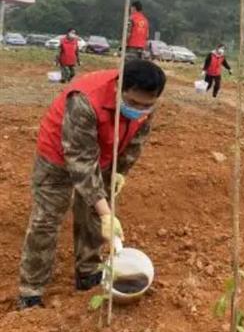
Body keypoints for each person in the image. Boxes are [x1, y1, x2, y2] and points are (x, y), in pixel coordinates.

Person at [18, 60, 167, 309]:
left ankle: (88, 272)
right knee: (46, 221)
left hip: (104, 156)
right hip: (57, 158)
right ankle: (31, 290)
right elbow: (80, 161)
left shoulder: (146, 108)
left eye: (146, 105)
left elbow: (136, 141)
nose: (139, 109)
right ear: (120, 87)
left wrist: (120, 172)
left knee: (93, 218)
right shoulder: (85, 100)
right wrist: (107, 211)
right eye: (133, 103)